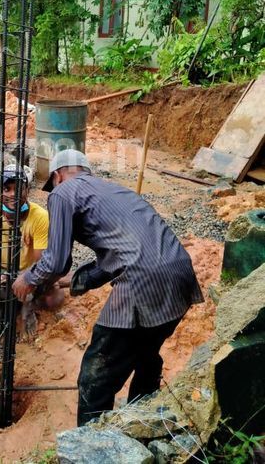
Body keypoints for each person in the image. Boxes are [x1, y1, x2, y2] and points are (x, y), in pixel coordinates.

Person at [12, 149, 204, 426]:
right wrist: (75, 281)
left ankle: (90, 443)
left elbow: (56, 260)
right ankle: (144, 425)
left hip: (142, 282)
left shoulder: (63, 193)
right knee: (146, 353)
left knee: (96, 377)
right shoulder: (114, 192)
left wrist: (28, 278)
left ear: (57, 175)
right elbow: (118, 255)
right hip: (181, 275)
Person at [0, 165, 66, 315]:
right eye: (7, 189)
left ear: (27, 190)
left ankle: (28, 306)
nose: (13, 194)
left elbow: (41, 262)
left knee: (53, 299)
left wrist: (25, 276)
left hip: (25, 273)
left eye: (18, 189)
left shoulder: (40, 217)